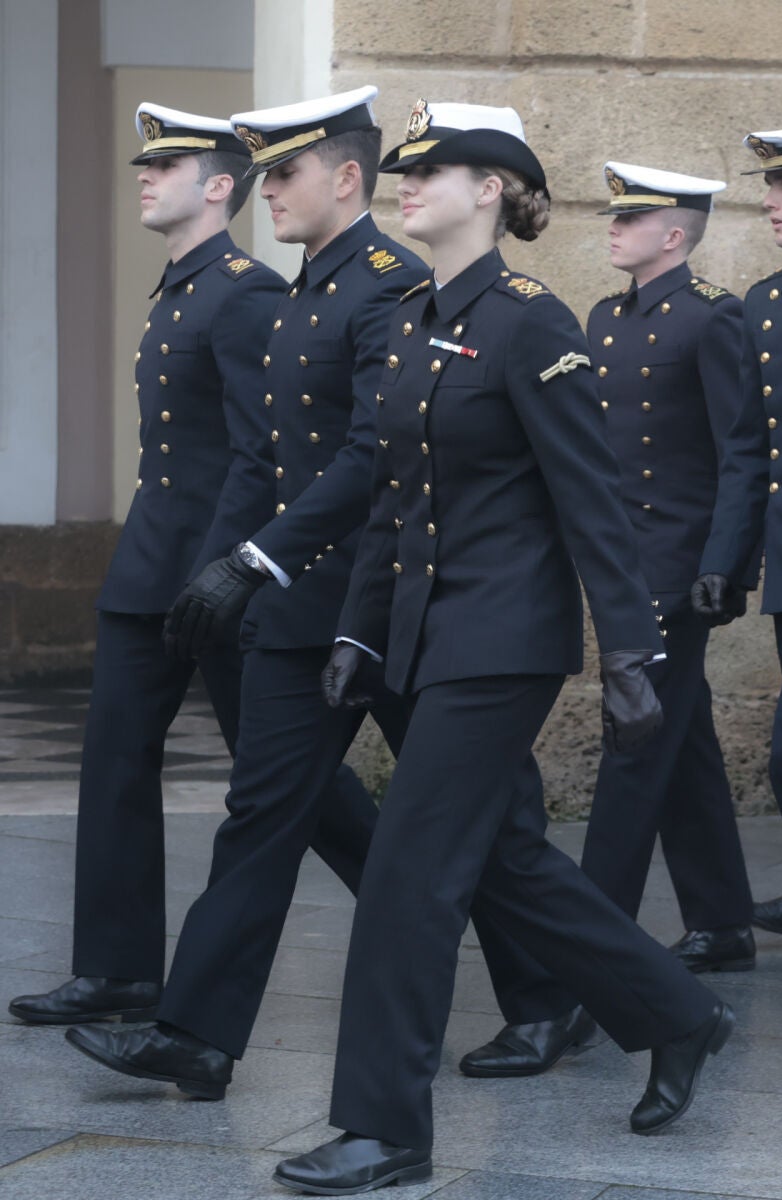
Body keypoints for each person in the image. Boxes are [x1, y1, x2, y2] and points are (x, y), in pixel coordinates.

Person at [274, 100, 734, 1197]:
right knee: (501, 859)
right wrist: (355, 627)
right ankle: (677, 1014)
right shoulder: (412, 318)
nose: (410, 186)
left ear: (490, 192)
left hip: (503, 641)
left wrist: (631, 656)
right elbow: (395, 499)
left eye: (437, 173)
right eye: (409, 172)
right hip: (426, 637)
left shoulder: (530, 322)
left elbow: (594, 504)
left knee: (407, 874)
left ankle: (385, 1130)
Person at [62, 86, 432, 1097]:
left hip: (330, 590)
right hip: (245, 583)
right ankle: (174, 1017)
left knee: (465, 829)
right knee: (258, 808)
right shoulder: (276, 290)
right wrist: (221, 562)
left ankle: (577, 983)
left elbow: (330, 457)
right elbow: (257, 453)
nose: (271, 192)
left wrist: (248, 562)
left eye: (286, 173)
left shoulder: (327, 289)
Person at [8, 102, 373, 1028]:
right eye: (145, 164)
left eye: (165, 166)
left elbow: (265, 452)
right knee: (115, 758)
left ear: (219, 187)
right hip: (151, 568)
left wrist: (230, 573)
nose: (144, 175)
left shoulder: (244, 291)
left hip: (218, 579)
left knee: (294, 782)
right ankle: (116, 970)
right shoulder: (179, 287)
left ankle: (420, 908)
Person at [457, 161, 757, 1083]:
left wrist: (720, 566)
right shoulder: (600, 319)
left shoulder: (714, 316)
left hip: (673, 565)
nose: (614, 230)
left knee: (633, 760)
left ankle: (588, 967)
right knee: (686, 738)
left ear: (677, 233)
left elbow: (742, 452)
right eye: (615, 218)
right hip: (618, 556)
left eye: (633, 220)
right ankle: (720, 916)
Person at [693, 125, 782, 937]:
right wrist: (727, 561)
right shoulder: (765, 305)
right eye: (773, 183)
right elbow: (748, 449)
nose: (771, 198)